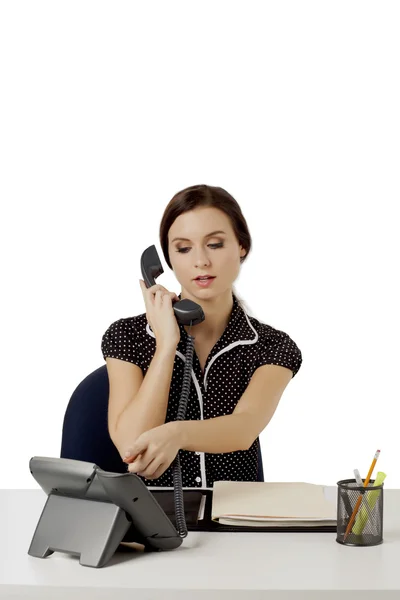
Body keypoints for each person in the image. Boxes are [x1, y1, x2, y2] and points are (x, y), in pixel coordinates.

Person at [101, 184, 302, 488]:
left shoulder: (273, 347)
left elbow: (243, 428)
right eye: (183, 248)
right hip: (150, 520)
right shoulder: (127, 336)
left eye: (215, 244)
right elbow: (131, 443)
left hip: (236, 519)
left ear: (241, 246)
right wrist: (166, 346)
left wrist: (178, 433)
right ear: (166, 260)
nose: (201, 262)